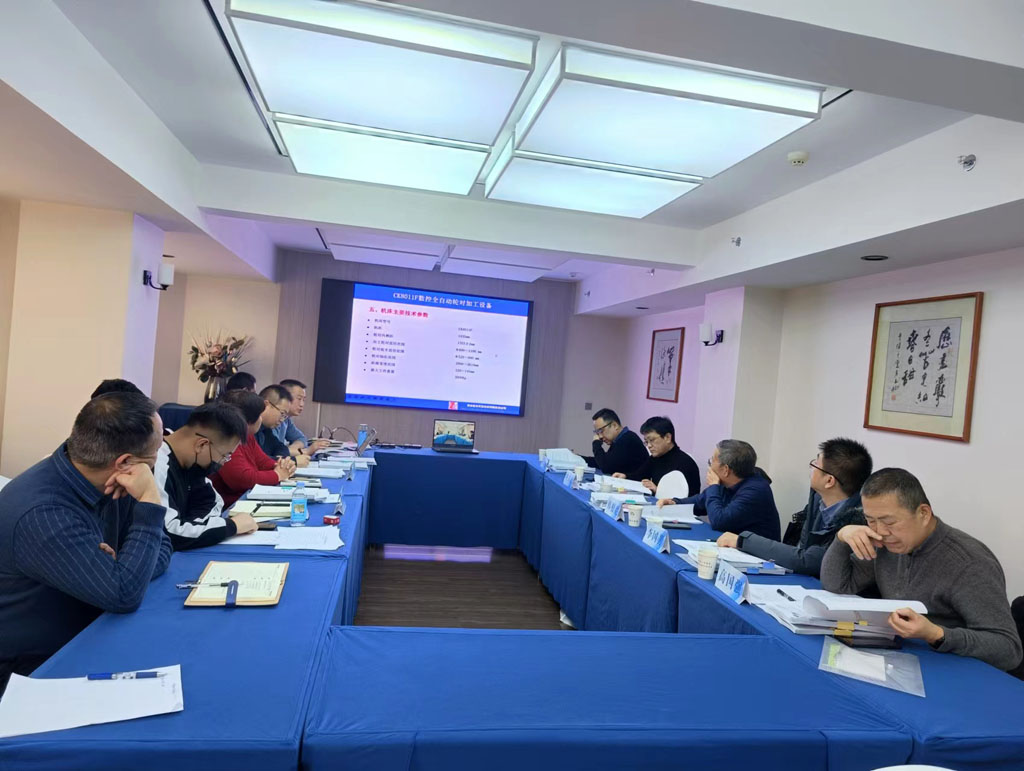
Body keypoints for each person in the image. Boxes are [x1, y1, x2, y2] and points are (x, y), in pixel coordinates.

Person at [0, 393, 172, 693]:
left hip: (91, 629)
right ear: (125, 462)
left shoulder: (112, 480)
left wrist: (122, 567)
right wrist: (149, 501)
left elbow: (164, 547)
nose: (158, 457)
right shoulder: (43, 513)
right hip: (33, 671)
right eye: (157, 450)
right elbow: (124, 594)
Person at [821, 468, 1022, 671]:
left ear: (923, 514)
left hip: (954, 668)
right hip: (901, 658)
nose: (880, 531)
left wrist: (935, 634)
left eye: (889, 522)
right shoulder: (887, 544)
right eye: (870, 520)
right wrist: (842, 538)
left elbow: (1008, 650)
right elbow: (837, 585)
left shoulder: (969, 564)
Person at [716, 438, 873, 576]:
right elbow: (801, 549)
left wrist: (743, 541)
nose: (811, 467)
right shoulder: (819, 500)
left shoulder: (859, 521)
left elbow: (808, 561)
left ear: (829, 481)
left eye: (816, 464)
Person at [155, 401, 258, 550]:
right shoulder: (157, 463)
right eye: (225, 456)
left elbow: (212, 502)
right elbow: (169, 532)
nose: (223, 462)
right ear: (202, 445)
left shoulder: (191, 462)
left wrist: (195, 527)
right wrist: (232, 526)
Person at [658, 439, 780, 540]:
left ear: (725, 470)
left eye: (712, 461)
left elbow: (720, 522)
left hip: (758, 556)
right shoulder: (727, 482)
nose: (710, 465)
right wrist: (675, 503)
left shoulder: (756, 491)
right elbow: (700, 502)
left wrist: (714, 486)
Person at [212, 389, 295, 507]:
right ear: (248, 420)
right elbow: (242, 479)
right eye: (259, 415)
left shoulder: (247, 436)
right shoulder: (227, 438)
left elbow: (262, 461)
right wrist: (278, 475)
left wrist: (282, 466)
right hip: (230, 507)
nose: (261, 419)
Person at [613, 416, 700, 496]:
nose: (649, 446)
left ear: (667, 437)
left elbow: (689, 500)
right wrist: (625, 476)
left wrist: (658, 490)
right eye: (646, 442)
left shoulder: (686, 463)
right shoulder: (655, 458)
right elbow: (639, 476)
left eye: (652, 440)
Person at [254, 385, 308, 466]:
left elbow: (280, 447)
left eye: (285, 416)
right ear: (266, 405)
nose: (282, 420)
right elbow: (256, 460)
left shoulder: (266, 428)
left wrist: (280, 459)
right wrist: (293, 461)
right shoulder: (250, 428)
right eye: (282, 413)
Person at [277, 379, 330, 459]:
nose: (302, 404)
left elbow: (301, 438)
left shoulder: (286, 419)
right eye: (299, 399)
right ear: (284, 397)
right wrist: (306, 451)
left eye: (303, 400)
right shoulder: (272, 421)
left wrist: (291, 450)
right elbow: (274, 452)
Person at [587, 408, 648, 476]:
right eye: (597, 432)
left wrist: (596, 443)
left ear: (615, 425)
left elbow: (605, 467)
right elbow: (603, 461)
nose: (600, 436)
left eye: (601, 431)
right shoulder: (619, 439)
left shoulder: (628, 439)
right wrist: (580, 458)